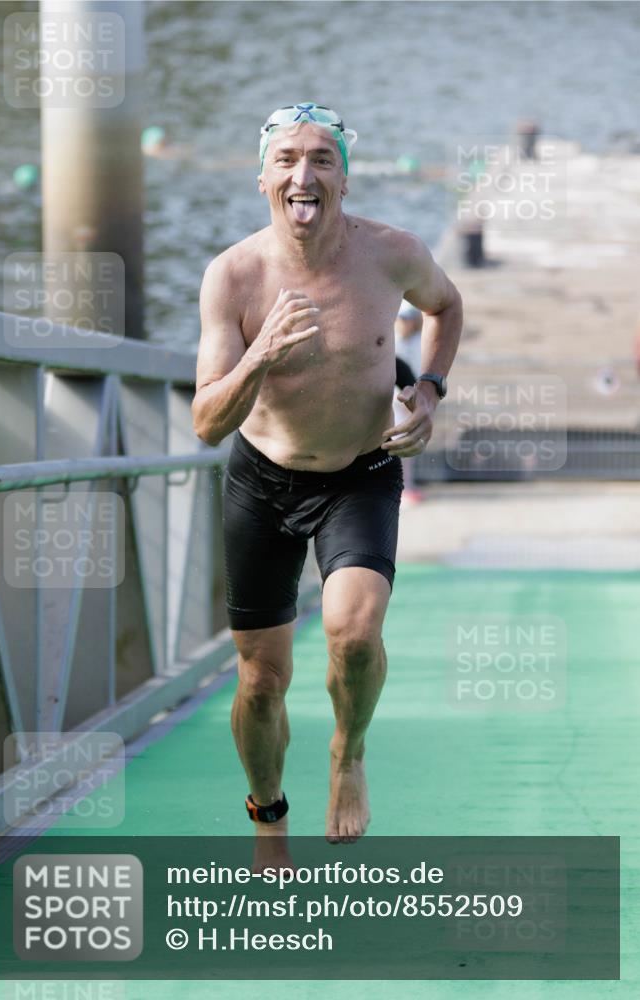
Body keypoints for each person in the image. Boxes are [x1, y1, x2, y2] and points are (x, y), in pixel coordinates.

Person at [191, 102, 462, 869]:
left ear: (344, 178)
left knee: (353, 633)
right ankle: (268, 815)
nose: (302, 175)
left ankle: (348, 752)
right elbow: (206, 424)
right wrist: (258, 356)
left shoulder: (392, 253)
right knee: (261, 680)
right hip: (262, 482)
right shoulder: (233, 276)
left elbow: (445, 305)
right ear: (263, 180)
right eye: (286, 160)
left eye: (321, 159)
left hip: (360, 475)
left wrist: (429, 390)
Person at [394, 301, 424, 504]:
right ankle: (400, 488)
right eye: (402, 318)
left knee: (408, 446)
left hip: (411, 403)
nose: (405, 323)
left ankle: (407, 486)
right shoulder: (392, 342)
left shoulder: (418, 342)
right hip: (394, 404)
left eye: (409, 319)